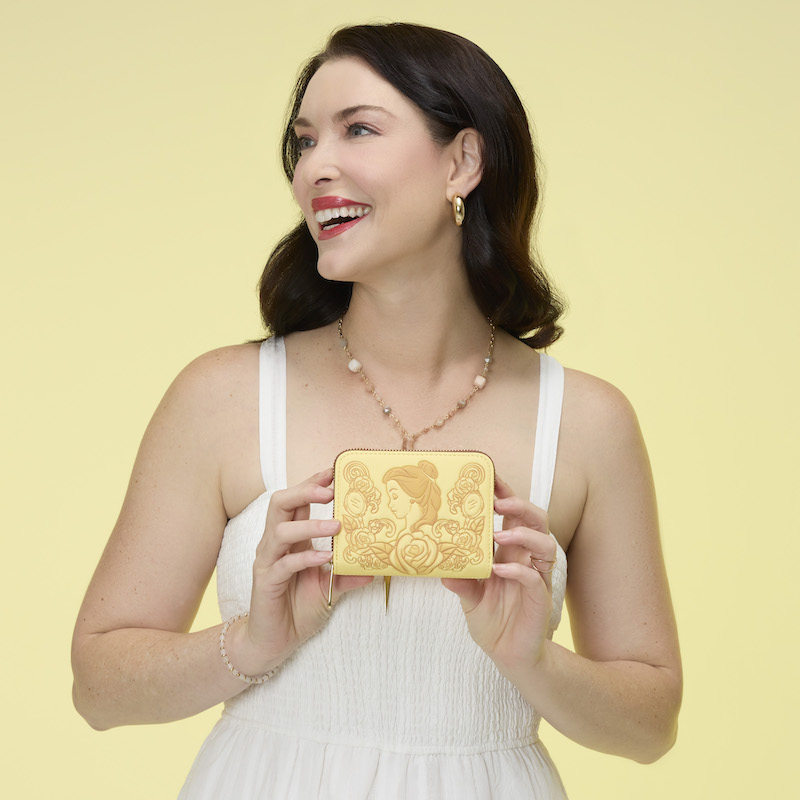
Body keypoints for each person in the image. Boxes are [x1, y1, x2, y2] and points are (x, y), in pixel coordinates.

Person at [71, 22, 682, 799]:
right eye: (305, 142)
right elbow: (98, 689)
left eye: (357, 129)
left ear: (462, 162)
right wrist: (255, 643)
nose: (314, 168)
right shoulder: (220, 397)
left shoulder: (590, 421)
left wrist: (532, 660)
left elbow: (650, 728)